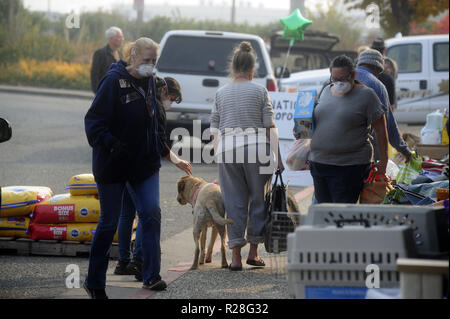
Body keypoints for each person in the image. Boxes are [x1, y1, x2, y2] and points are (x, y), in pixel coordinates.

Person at [84, 37, 166, 299]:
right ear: (132, 56)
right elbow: (93, 121)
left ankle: (151, 275)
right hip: (113, 163)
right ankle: (94, 282)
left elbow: (153, 120)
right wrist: (111, 143)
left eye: (154, 61)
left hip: (143, 164)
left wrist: (160, 148)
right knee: (109, 223)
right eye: (146, 60)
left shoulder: (151, 81)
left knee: (151, 213)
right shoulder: (112, 82)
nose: (150, 66)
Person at [210, 41, 283, 271]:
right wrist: (278, 159)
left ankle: (235, 257)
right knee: (258, 201)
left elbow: (214, 128)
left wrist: (220, 151)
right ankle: (253, 252)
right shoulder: (260, 91)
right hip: (257, 151)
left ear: (233, 67)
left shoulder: (221, 92)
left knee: (234, 202)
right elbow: (269, 127)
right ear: (253, 68)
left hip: (228, 150)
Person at [115, 76, 192, 280]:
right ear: (164, 90)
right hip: (142, 166)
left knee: (126, 214)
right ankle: (138, 261)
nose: (171, 103)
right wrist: (178, 161)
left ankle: (122, 261)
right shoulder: (156, 106)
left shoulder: (138, 98)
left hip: (123, 162)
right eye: (172, 98)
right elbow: (160, 142)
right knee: (147, 214)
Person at [308, 55, 389, 204]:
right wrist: (302, 131)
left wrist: (384, 160)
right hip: (319, 163)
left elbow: (380, 130)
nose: (338, 83)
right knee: (322, 213)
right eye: (335, 79)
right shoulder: (326, 90)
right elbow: (320, 121)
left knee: (340, 215)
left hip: (348, 166)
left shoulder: (367, 95)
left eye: (343, 79)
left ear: (353, 75)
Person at [356, 49, 412, 162]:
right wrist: (404, 150)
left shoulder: (340, 78)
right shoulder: (376, 85)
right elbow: (388, 123)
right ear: (377, 69)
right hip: (360, 148)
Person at [90, 26, 124, 93]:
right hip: (104, 90)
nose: (122, 39)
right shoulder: (100, 53)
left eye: (122, 37)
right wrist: (97, 92)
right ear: (111, 39)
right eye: (119, 37)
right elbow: (94, 74)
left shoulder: (120, 54)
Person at [371, 38, 398, 111]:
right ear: (384, 49)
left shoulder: (369, 62)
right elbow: (394, 78)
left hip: (375, 100)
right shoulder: (391, 63)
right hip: (389, 100)